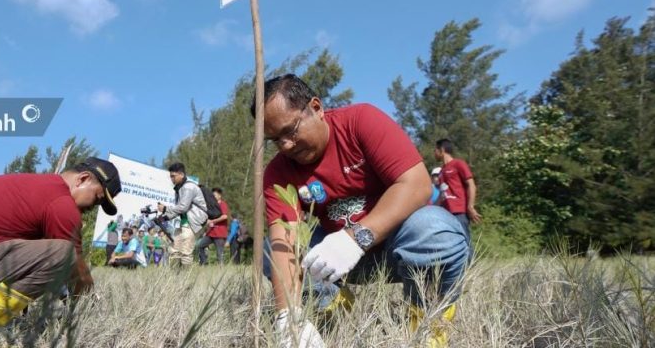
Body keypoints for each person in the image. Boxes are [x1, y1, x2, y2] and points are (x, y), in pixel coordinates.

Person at [254, 74, 469, 347]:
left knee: (433, 230)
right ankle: (331, 305)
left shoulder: (360, 122)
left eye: (291, 130)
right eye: (275, 139)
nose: (285, 145)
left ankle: (428, 321)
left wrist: (356, 238)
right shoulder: (278, 171)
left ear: (316, 108)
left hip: (401, 248)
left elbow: (417, 186)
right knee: (271, 251)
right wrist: (288, 318)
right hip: (341, 262)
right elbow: (284, 238)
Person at [0, 157, 121, 341]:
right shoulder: (61, 203)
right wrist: (88, 301)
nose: (91, 208)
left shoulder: (36, 187)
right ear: (82, 179)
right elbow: (76, 272)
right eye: (96, 199)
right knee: (62, 254)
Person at [156, 163, 208, 267]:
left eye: (173, 176)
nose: (171, 179)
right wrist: (164, 218)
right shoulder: (179, 189)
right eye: (170, 176)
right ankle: (176, 276)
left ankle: (186, 279)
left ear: (181, 174)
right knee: (174, 249)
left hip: (194, 222)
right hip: (185, 223)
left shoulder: (188, 187)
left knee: (185, 252)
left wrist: (165, 209)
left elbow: (183, 207)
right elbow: (177, 210)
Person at [434, 139, 481, 248]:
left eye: (435, 150)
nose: (434, 153)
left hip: (459, 211)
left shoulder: (458, 164)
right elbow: (442, 194)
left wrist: (470, 206)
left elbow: (471, 185)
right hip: (446, 213)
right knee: (450, 243)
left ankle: (470, 264)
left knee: (463, 240)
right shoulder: (441, 171)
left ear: (441, 150)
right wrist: (430, 209)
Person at [197, 188, 229, 265]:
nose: (212, 197)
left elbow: (225, 216)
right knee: (200, 246)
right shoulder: (211, 205)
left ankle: (221, 268)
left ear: (219, 196)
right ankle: (203, 262)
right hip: (211, 233)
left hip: (220, 233)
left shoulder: (223, 204)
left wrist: (212, 221)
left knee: (219, 252)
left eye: (214, 195)